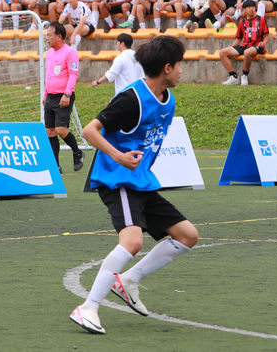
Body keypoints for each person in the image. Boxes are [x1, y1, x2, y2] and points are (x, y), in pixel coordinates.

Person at [71, 35, 198, 335]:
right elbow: (90, 130)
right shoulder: (131, 99)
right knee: (132, 242)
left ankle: (128, 280)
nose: (182, 70)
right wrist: (118, 156)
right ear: (167, 67)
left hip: (140, 181)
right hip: (117, 179)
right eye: (180, 65)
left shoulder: (169, 100)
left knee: (187, 236)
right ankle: (88, 307)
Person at [44, 22, 84, 173]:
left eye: (49, 35)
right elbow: (48, 74)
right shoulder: (49, 53)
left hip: (63, 96)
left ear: (59, 36)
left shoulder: (70, 52)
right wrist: (45, 94)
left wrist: (67, 94)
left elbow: (73, 74)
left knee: (61, 129)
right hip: (50, 96)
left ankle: (77, 152)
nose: (47, 38)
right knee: (50, 132)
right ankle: (56, 166)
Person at [219, 0, 269, 86]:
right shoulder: (242, 22)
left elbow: (267, 36)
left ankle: (245, 75)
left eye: (253, 6)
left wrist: (264, 43)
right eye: (248, 7)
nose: (251, 9)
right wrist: (232, 48)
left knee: (247, 52)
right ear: (244, 10)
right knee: (222, 52)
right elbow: (239, 38)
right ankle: (233, 77)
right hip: (245, 45)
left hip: (256, 46)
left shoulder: (261, 20)